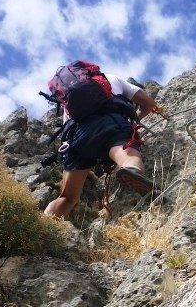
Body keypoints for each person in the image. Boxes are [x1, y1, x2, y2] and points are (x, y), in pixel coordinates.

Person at [43, 61, 163, 218]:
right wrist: (135, 121)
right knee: (123, 152)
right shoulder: (111, 78)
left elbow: (67, 128)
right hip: (109, 123)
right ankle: (130, 169)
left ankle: (45, 223)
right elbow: (148, 104)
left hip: (76, 140)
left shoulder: (69, 101)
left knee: (68, 197)